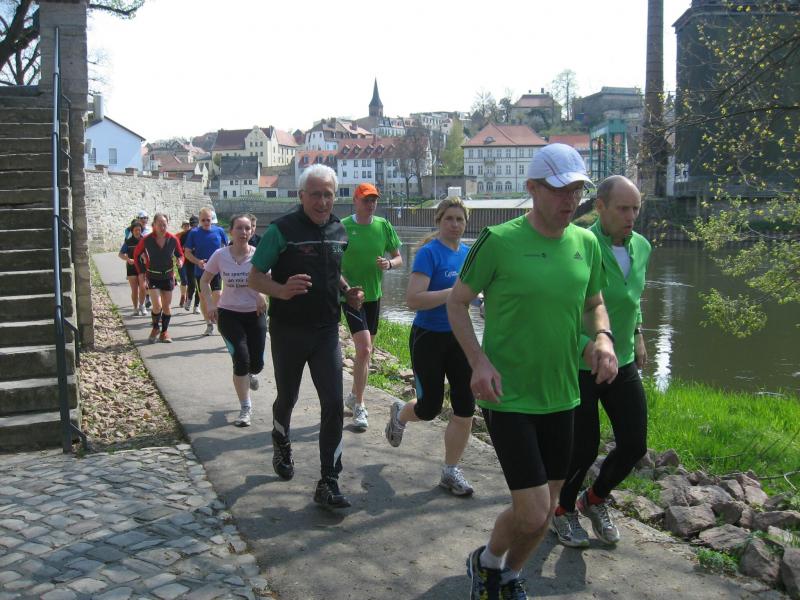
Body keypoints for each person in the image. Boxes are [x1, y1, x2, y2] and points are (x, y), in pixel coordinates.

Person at [446, 143, 618, 599]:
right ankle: (488, 563)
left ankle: (502, 572)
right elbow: (457, 303)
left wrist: (603, 338)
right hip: (508, 395)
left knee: (546, 509)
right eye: (560, 190)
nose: (570, 200)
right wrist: (478, 361)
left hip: (562, 395)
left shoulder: (586, 243)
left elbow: (594, 304)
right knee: (533, 511)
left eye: (576, 190)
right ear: (533, 189)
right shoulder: (499, 241)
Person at [248, 163, 364, 510]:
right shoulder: (281, 230)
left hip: (327, 330)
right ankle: (281, 439)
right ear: (301, 195)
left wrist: (347, 292)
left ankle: (329, 480)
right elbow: (255, 277)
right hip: (289, 329)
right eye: (315, 194)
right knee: (289, 396)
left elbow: (333, 271)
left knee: (333, 404)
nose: (322, 201)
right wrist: (281, 290)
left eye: (328, 195)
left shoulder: (339, 230)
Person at [551, 175, 651, 548]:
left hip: (621, 360)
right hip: (580, 363)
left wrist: (637, 334)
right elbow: (561, 308)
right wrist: (585, 345)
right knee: (583, 447)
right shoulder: (578, 245)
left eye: (635, 208)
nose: (631, 216)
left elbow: (633, 297)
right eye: (623, 209)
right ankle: (562, 510)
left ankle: (593, 499)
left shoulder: (642, 246)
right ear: (600, 207)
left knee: (634, 444)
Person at [384, 197, 475, 496]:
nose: (455, 224)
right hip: (428, 337)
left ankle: (451, 470)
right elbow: (413, 300)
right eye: (449, 218)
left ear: (466, 223)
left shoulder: (469, 254)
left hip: (460, 337)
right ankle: (401, 414)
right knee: (430, 408)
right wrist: (454, 293)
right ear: (439, 221)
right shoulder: (428, 253)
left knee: (465, 407)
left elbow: (477, 293)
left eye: (460, 219)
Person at [340, 182, 402, 430]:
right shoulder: (343, 227)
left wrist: (389, 264)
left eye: (374, 199)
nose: (371, 204)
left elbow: (398, 258)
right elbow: (332, 264)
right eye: (366, 199)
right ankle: (360, 406)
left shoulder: (383, 226)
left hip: (374, 296)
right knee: (364, 349)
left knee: (367, 352)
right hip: (351, 297)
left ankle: (354, 395)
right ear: (355, 200)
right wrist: (346, 289)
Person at [201, 214, 267, 427]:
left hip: (255, 313)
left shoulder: (259, 255)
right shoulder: (220, 255)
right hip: (229, 313)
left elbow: (268, 280)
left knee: (256, 364)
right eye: (239, 228)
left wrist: (261, 294)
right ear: (230, 231)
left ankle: (251, 373)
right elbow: (205, 280)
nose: (244, 232)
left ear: (252, 231)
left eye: (247, 228)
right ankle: (245, 407)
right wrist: (210, 304)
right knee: (240, 358)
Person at [133, 212, 184, 344]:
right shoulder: (147, 240)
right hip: (153, 276)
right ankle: (155, 328)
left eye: (164, 224)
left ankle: (164, 333)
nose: (162, 227)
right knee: (157, 306)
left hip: (168, 276)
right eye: (159, 224)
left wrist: (180, 261)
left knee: (166, 307)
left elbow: (180, 254)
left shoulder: (173, 239)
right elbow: (136, 254)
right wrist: (141, 273)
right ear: (154, 225)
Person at [184, 206, 229, 335]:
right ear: (199, 220)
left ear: (212, 219)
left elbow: (227, 248)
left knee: (217, 296)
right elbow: (187, 252)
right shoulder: (194, 233)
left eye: (208, 220)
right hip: (201, 270)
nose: (206, 222)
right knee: (203, 298)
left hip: (216, 270)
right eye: (203, 220)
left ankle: (218, 321)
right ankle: (209, 324)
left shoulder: (219, 231)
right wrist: (198, 261)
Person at [119, 219, 147, 316]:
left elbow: (150, 253)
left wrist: (145, 258)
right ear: (132, 231)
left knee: (143, 288)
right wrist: (127, 259)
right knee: (134, 290)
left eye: (139, 230)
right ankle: (135, 308)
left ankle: (142, 306)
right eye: (135, 230)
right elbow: (120, 254)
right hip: (131, 267)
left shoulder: (145, 241)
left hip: (142, 267)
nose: (138, 232)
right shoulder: (128, 242)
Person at [182, 215, 201, 313]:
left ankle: (196, 305)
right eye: (192, 225)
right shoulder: (186, 234)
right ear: (190, 224)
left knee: (200, 285)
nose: (194, 227)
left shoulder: (201, 233)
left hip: (200, 262)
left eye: (195, 225)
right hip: (189, 261)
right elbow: (181, 246)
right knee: (192, 284)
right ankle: (189, 299)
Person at [176, 220, 192, 308]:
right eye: (184, 226)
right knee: (183, 279)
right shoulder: (178, 235)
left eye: (187, 225)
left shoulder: (192, 235)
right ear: (182, 226)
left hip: (190, 260)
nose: (186, 227)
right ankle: (183, 296)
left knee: (190, 280)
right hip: (181, 260)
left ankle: (187, 297)